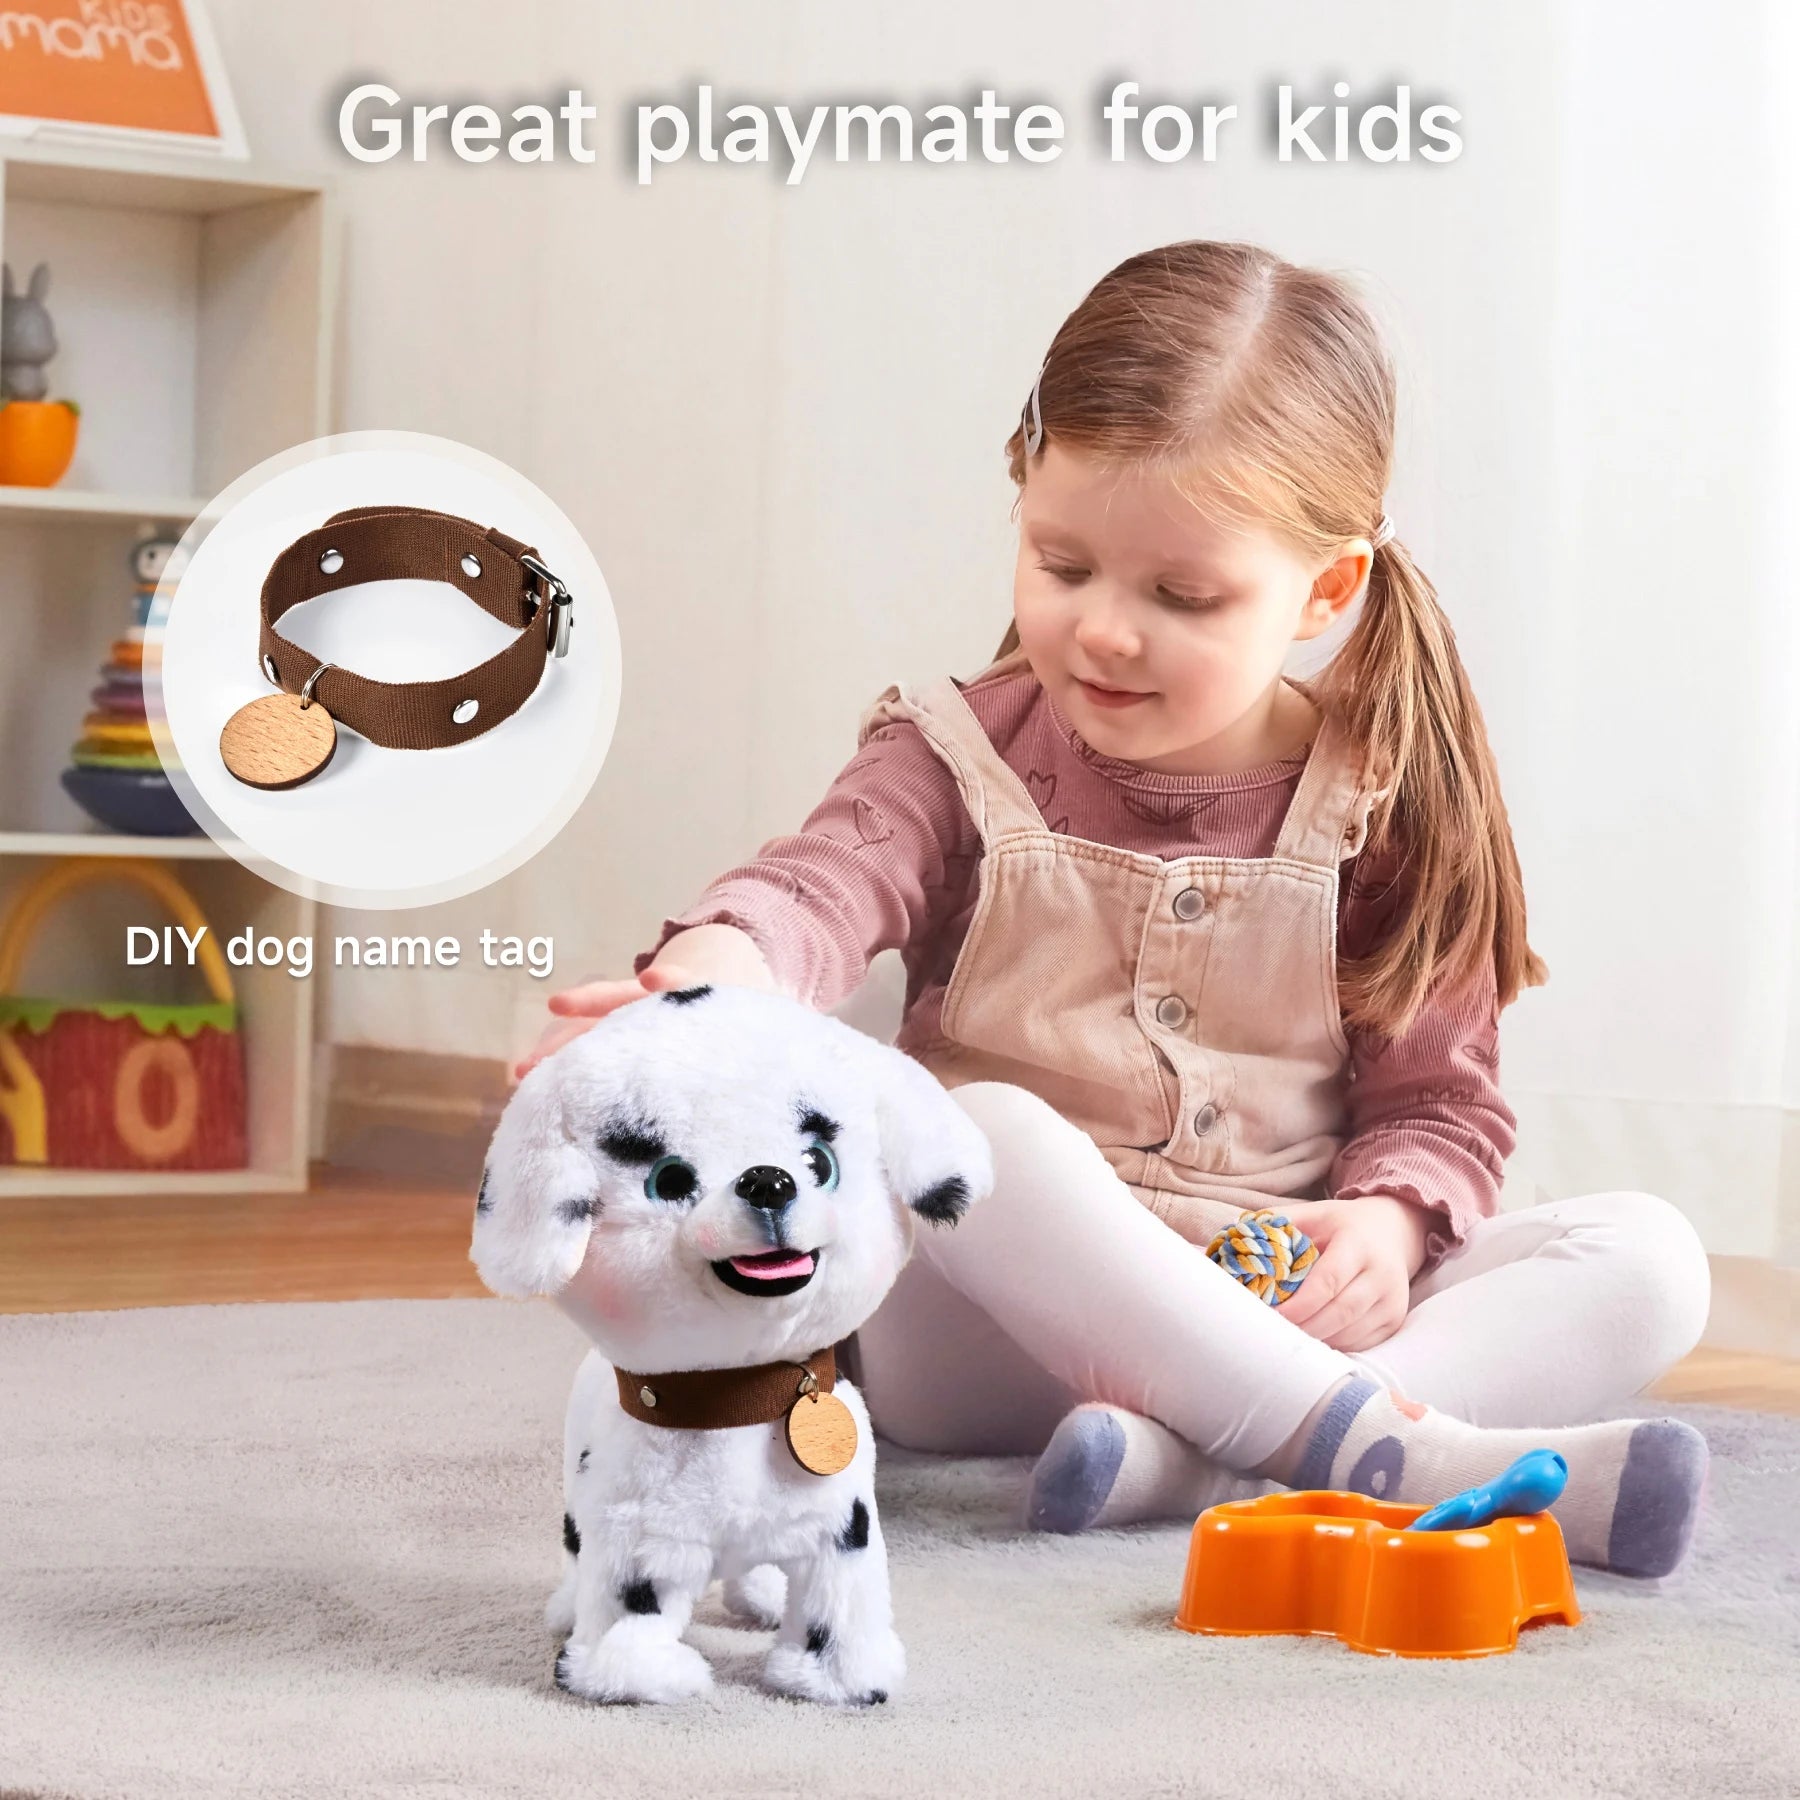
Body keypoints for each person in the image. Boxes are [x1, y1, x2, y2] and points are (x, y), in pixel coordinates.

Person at [522, 241, 1712, 1578]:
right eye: (1062, 562)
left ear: (1326, 589)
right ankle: (1391, 1450)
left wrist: (1385, 1224)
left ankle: (1201, 1457)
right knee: (976, 1132)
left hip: (1269, 1299)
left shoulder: (1385, 801)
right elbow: (815, 885)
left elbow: (1439, 1105)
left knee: (1652, 1256)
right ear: (1022, 494)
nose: (1101, 630)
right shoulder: (952, 752)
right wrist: (711, 982)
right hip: (980, 1337)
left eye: (1180, 596)